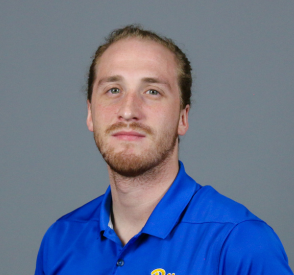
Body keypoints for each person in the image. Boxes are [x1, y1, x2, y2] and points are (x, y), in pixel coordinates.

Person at [35, 25, 293, 275]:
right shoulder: (60, 241)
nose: (128, 111)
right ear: (90, 113)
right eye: (113, 90)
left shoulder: (240, 242)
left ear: (183, 117)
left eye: (152, 91)